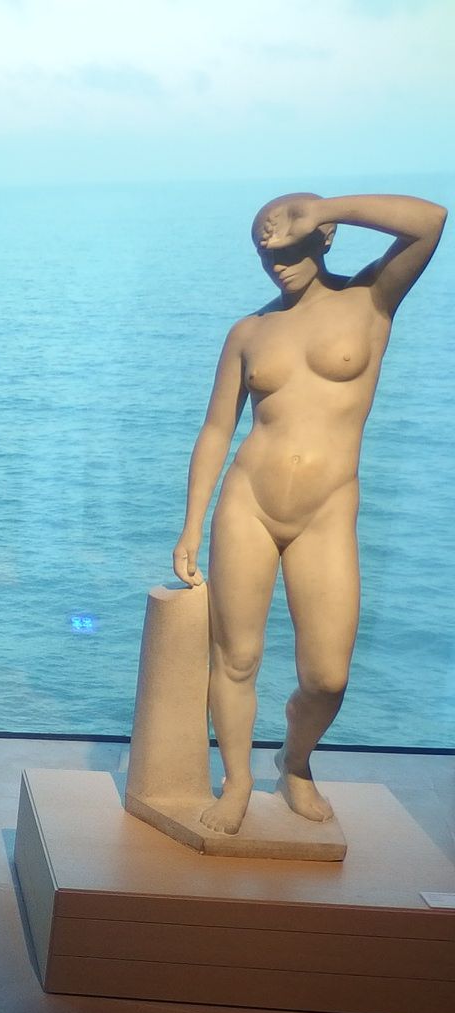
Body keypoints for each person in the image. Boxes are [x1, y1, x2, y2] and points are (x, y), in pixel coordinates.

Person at [174, 192, 444, 835]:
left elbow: (430, 222)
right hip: (247, 503)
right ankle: (237, 781)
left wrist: (326, 207)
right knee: (235, 658)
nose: (278, 263)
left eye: (291, 246)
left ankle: (294, 761)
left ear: (324, 237)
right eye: (265, 253)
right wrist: (190, 524)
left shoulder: (371, 300)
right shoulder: (249, 332)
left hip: (326, 511)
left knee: (326, 676)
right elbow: (217, 429)